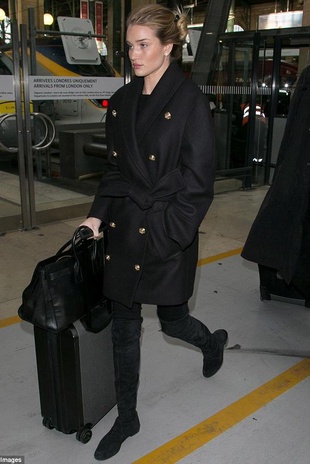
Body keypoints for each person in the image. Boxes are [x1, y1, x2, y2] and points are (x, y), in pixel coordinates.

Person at [81, 4, 228, 461]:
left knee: (173, 320)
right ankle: (128, 418)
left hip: (166, 233)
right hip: (124, 229)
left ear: (169, 46)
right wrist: (95, 217)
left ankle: (211, 343)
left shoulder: (190, 102)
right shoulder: (123, 100)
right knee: (124, 330)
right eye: (129, 46)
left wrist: (169, 235)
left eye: (144, 45)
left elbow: (198, 184)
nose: (134, 55)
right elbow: (114, 171)